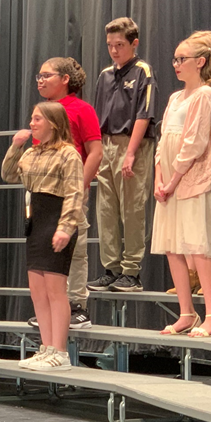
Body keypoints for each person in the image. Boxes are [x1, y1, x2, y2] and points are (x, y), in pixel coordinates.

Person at [153, 32, 211, 338]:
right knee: (173, 246)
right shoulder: (174, 97)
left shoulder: (205, 95)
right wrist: (159, 176)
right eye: (174, 59)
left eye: (181, 59)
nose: (176, 64)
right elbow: (163, 140)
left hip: (190, 176)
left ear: (200, 61)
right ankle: (187, 312)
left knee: (197, 246)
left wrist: (173, 179)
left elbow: (195, 142)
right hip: (168, 178)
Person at [1, 102, 84, 371]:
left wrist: (66, 227)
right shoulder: (33, 153)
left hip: (56, 219)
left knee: (55, 290)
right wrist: (16, 147)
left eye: (38, 119)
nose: (32, 122)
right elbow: (8, 174)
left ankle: (60, 351)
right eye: (32, 118)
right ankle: (46, 347)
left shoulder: (68, 154)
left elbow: (74, 193)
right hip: (36, 222)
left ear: (53, 123)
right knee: (38, 291)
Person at [29, 57, 101, 329]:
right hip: (43, 196)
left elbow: (95, 152)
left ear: (65, 79)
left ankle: (77, 305)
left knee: (75, 248)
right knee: (46, 251)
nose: (40, 80)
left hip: (70, 191)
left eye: (46, 75)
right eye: (39, 75)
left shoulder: (82, 109)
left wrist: (78, 187)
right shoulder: (43, 112)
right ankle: (51, 307)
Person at [88, 17, 156, 294]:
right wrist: (95, 153)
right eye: (110, 45)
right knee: (106, 209)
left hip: (133, 144)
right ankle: (111, 267)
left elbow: (144, 113)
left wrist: (130, 153)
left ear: (134, 43)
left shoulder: (142, 71)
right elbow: (96, 117)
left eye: (119, 45)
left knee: (132, 206)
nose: (114, 50)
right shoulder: (105, 75)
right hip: (106, 144)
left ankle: (131, 271)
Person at [167, 36, 211, 297]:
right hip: (186, 160)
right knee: (187, 220)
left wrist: (199, 127)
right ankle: (191, 275)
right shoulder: (183, 93)